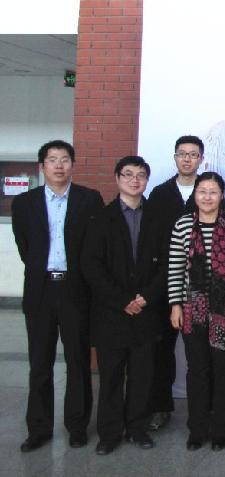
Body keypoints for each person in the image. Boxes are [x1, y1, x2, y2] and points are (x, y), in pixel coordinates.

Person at [12, 140, 103, 452]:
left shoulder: (89, 199)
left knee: (78, 360)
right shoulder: (24, 203)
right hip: (40, 290)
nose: (59, 165)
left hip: (76, 290)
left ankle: (77, 426)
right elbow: (25, 247)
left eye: (65, 159)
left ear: (72, 165)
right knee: (40, 363)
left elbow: (95, 246)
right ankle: (38, 429)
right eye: (52, 160)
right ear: (42, 166)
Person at [81, 156, 168, 455]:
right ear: (117, 179)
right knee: (111, 376)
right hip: (111, 313)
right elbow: (91, 266)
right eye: (128, 174)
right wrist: (122, 301)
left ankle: (137, 428)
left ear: (147, 181)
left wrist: (147, 297)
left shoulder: (158, 217)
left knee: (143, 376)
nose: (134, 180)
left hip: (147, 311)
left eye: (140, 175)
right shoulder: (100, 219)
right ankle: (109, 433)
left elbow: (168, 264)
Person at [168, 171, 225, 451]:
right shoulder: (183, 225)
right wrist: (175, 305)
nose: (207, 197)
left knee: (224, 369)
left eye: (213, 192)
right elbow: (175, 269)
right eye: (202, 191)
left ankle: (221, 429)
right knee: (197, 370)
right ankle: (197, 429)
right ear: (195, 194)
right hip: (193, 312)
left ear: (222, 195)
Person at [145, 134, 204, 432]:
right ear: (175, 157)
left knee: (203, 352)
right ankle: (160, 407)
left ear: (201, 159)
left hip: (201, 284)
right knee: (161, 348)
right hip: (164, 281)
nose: (187, 159)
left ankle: (204, 411)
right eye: (182, 153)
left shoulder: (209, 189)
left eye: (193, 154)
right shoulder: (159, 194)